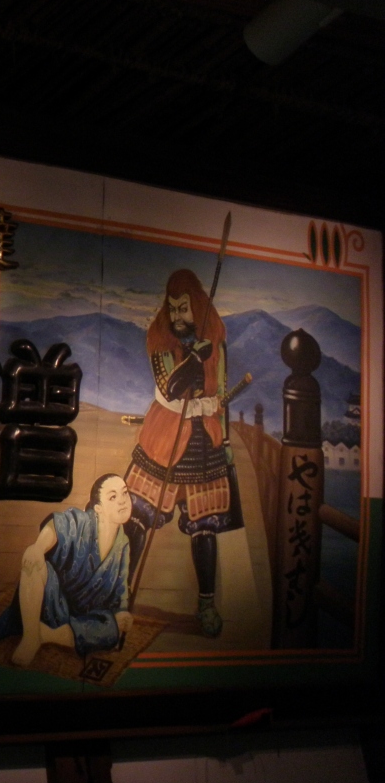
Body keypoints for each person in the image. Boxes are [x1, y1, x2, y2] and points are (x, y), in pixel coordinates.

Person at [124, 268, 242, 637]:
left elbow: (218, 395)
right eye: (172, 307)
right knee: (137, 517)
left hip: (203, 441)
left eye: (184, 308)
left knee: (204, 527)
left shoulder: (216, 339)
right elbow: (169, 388)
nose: (177, 316)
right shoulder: (160, 339)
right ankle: (120, 593)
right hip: (163, 437)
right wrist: (192, 360)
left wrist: (224, 442)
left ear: (198, 307)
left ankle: (206, 603)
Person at [0, 473, 134, 666]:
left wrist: (122, 612)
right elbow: (57, 526)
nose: (122, 501)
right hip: (54, 603)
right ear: (98, 508)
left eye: (125, 493)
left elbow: (121, 587)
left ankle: (44, 634)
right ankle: (31, 637)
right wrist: (39, 547)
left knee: (111, 630)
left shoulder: (123, 544)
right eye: (113, 497)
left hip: (85, 616)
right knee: (34, 562)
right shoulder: (81, 521)